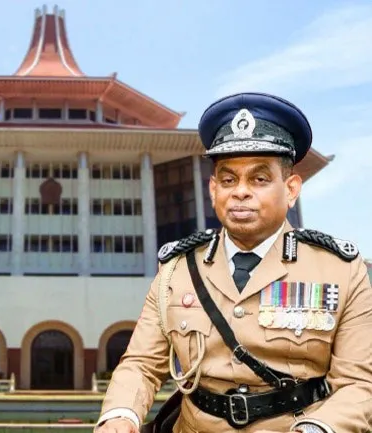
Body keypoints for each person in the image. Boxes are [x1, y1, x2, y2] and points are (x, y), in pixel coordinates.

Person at [95, 92, 372, 433]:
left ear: (291, 189)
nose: (240, 192)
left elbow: (359, 383)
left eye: (259, 179)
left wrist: (317, 429)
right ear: (213, 190)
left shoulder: (340, 271)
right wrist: (121, 415)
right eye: (228, 180)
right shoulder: (177, 269)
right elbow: (141, 363)